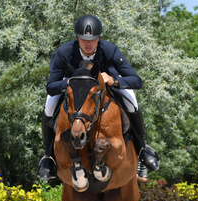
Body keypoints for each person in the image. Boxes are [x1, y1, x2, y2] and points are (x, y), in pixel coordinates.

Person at [37, 14, 159, 181]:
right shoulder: (64, 52)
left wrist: (114, 81)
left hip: (104, 85)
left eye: (93, 39)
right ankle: (48, 157)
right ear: (77, 38)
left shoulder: (109, 50)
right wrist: (72, 83)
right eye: (84, 39)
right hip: (73, 88)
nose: (88, 43)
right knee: (50, 106)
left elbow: (136, 80)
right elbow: (51, 86)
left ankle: (142, 149)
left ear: (99, 38)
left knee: (132, 102)